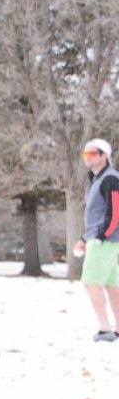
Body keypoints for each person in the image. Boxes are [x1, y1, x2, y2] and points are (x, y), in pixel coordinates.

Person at [73, 138, 119, 342]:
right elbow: (96, 214)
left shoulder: (110, 179)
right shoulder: (96, 179)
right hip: (99, 238)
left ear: (104, 156)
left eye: (93, 154)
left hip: (106, 240)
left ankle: (104, 329)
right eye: (86, 154)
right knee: (111, 284)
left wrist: (101, 236)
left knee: (91, 281)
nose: (88, 158)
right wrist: (84, 238)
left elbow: (115, 212)